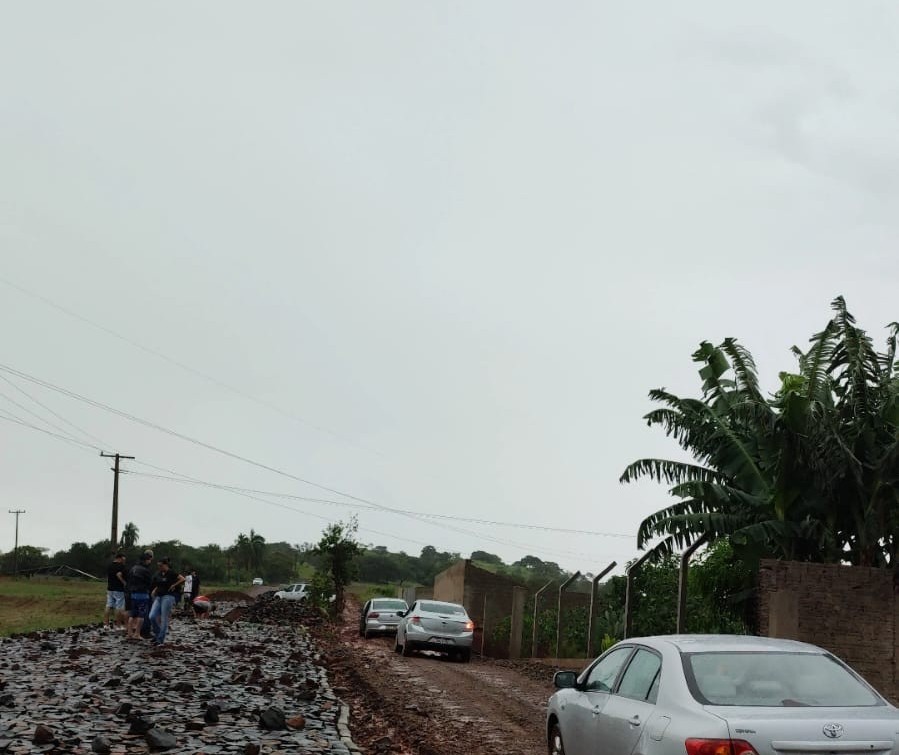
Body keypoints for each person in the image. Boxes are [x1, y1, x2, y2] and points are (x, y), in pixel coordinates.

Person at [147, 557, 185, 646]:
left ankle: (160, 639)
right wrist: (154, 590)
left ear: (165, 565)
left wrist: (174, 585)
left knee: (164, 618)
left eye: (161, 566)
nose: (159, 567)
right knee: (152, 616)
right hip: (159, 596)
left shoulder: (171, 573)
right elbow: (158, 583)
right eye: (158, 566)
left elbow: (183, 579)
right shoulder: (158, 573)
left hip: (168, 596)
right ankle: (157, 634)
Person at [125, 551, 154, 640]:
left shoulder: (133, 568)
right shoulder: (145, 570)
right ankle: (137, 633)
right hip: (143, 594)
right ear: (146, 560)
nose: (150, 562)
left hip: (132, 594)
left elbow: (128, 579)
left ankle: (129, 633)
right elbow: (150, 582)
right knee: (141, 615)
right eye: (149, 560)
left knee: (132, 614)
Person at [104, 552, 128, 629]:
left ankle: (106, 624)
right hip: (119, 589)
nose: (124, 560)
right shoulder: (121, 566)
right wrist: (124, 583)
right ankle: (118, 625)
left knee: (108, 605)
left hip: (110, 588)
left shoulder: (109, 565)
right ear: (120, 558)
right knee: (119, 607)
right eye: (123, 559)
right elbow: (119, 575)